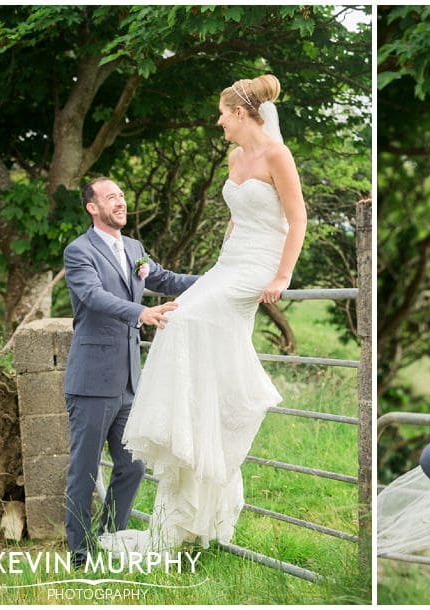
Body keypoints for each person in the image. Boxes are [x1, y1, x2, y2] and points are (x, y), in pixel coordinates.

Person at [98, 74, 308, 553]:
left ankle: (217, 420)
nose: (218, 122)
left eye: (221, 113)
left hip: (260, 265)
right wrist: (222, 256)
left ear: (240, 113)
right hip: (230, 262)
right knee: (175, 317)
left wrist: (281, 277)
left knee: (187, 321)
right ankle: (190, 439)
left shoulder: (277, 155)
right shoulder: (235, 158)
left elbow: (297, 219)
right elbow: (238, 213)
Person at [63, 178, 199, 567]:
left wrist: (218, 283)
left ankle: (106, 538)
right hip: (91, 380)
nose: (120, 202)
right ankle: (80, 553)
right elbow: (93, 296)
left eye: (121, 196)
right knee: (84, 471)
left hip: (128, 382)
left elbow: (166, 280)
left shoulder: (135, 249)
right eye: (111, 198)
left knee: (133, 466)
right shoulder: (79, 252)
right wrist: (140, 312)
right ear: (92, 207)